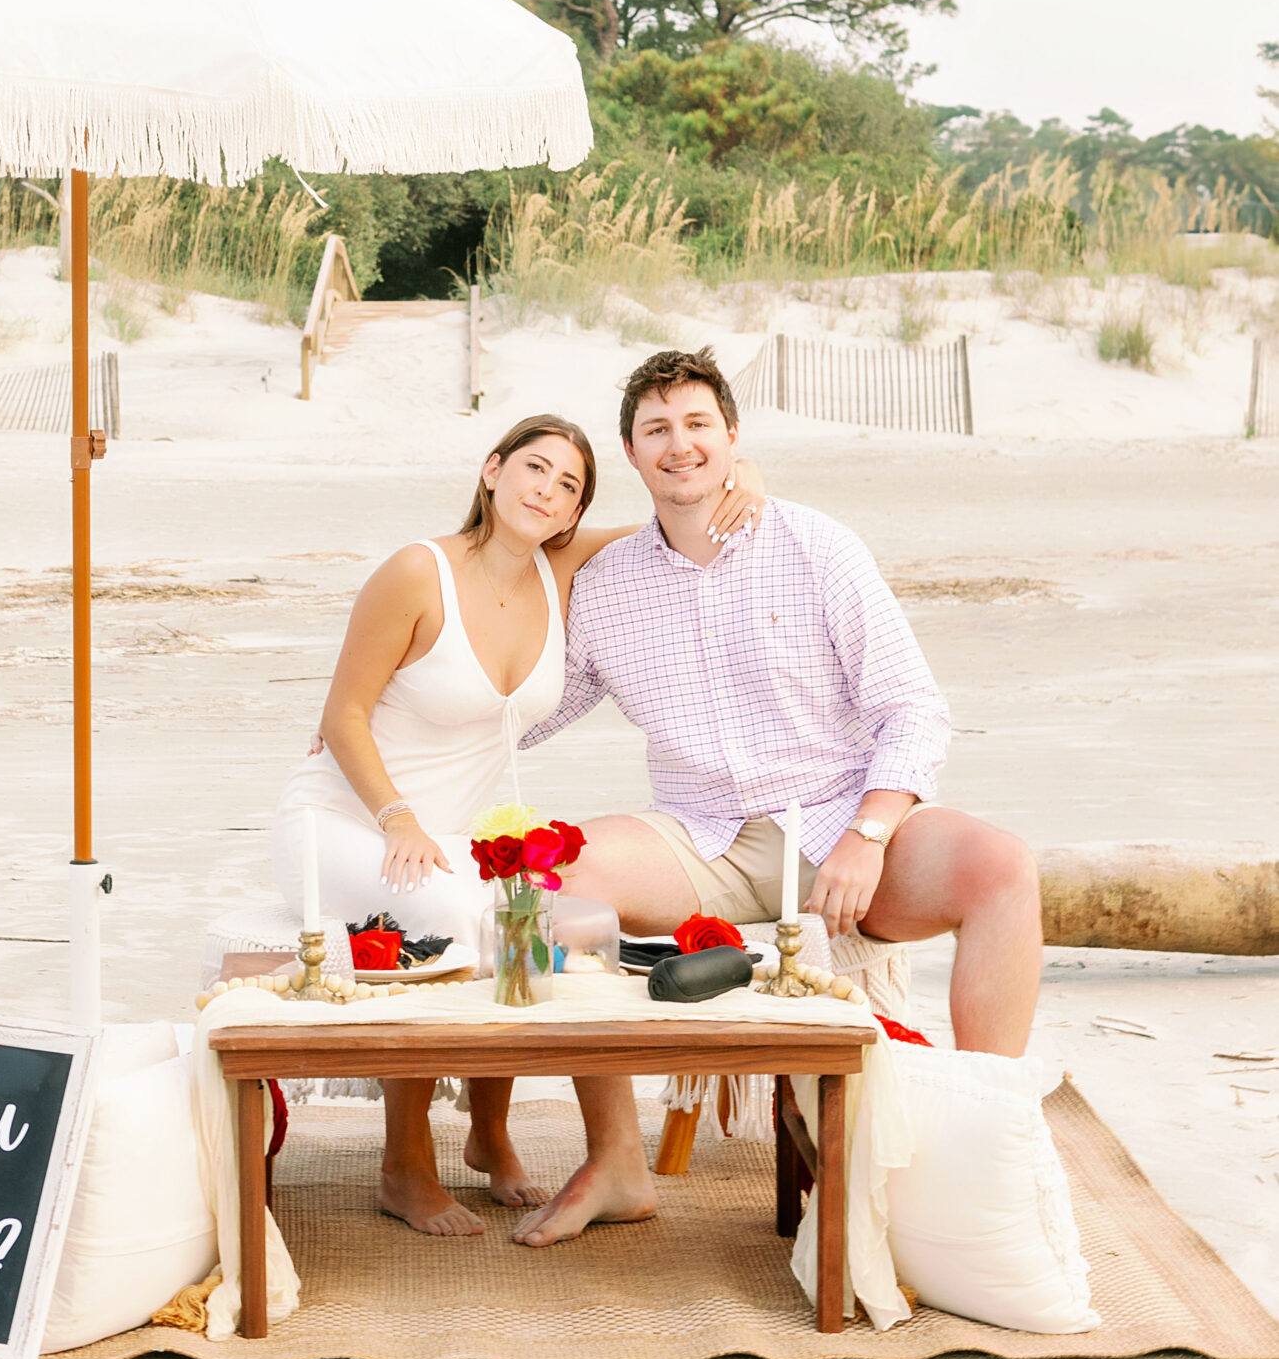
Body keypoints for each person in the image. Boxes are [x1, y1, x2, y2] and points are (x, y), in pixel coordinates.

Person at [509, 344, 1043, 1250]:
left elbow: (911, 708)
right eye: (655, 431)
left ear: (730, 438)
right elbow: (531, 712)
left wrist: (870, 834)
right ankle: (615, 1162)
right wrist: (395, 729)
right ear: (631, 457)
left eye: (696, 425)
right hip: (698, 839)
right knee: (551, 884)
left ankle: (981, 1132)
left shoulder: (814, 545)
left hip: (836, 816)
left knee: (1000, 866)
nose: (679, 446)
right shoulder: (606, 586)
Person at [271, 410, 767, 1237]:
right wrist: (395, 818)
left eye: (568, 484)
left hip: (458, 838)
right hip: (349, 821)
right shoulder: (416, 572)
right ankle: (402, 1166)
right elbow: (344, 714)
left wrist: (739, 479)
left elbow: (665, 518)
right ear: (492, 470)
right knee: (451, 918)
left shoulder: (560, 566)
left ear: (573, 513)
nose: (548, 490)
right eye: (534, 468)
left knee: (528, 918)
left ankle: (488, 1132)